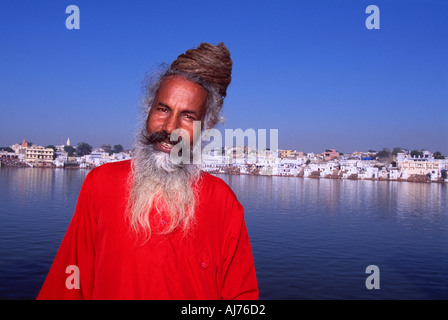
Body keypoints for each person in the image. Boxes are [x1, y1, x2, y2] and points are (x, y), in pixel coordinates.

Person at [37, 42, 259, 300]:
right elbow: (69, 282)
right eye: (162, 109)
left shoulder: (223, 202)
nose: (169, 127)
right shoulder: (101, 184)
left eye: (188, 116)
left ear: (205, 128)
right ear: (147, 111)